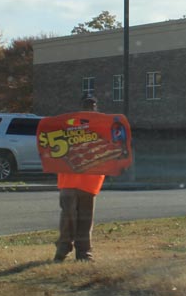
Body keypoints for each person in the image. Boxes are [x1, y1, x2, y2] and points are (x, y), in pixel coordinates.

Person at [54, 95, 105, 262]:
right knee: (68, 216)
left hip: (89, 182)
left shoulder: (101, 127)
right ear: (80, 108)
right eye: (87, 105)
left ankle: (84, 254)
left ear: (96, 108)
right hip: (69, 180)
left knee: (85, 219)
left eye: (92, 105)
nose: (90, 108)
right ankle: (62, 250)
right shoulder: (68, 125)